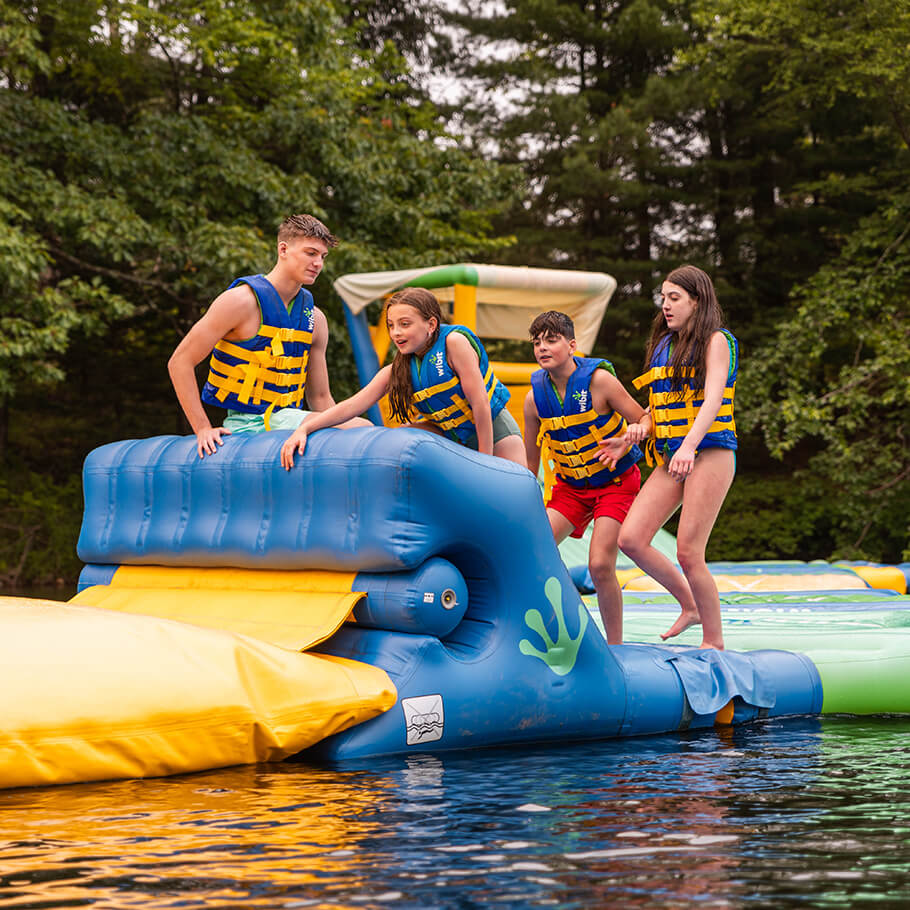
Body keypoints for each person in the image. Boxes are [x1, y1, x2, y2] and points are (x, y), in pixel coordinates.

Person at [600, 264, 738, 650]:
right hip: (673, 454)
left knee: (689, 552)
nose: (666, 305)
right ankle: (690, 605)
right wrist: (633, 435)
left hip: (708, 451)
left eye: (674, 298)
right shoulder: (666, 346)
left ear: (697, 301)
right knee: (631, 538)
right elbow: (660, 407)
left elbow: (711, 399)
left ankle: (713, 643)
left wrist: (690, 446)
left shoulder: (716, 341)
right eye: (663, 298)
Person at [168, 214, 364, 458]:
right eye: (310, 253)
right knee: (360, 428)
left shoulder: (316, 320)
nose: (318, 263)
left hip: (289, 421)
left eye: (323, 257)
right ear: (283, 249)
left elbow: (321, 398)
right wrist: (203, 428)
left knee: (358, 429)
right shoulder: (239, 302)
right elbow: (180, 361)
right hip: (248, 424)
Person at [280, 287, 527, 469]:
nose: (396, 333)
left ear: (431, 324)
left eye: (405, 324)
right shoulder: (398, 369)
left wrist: (483, 462)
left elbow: (481, 405)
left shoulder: (454, 343)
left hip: (493, 432)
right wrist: (306, 428)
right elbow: (353, 405)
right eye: (391, 325)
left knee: (517, 500)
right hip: (452, 436)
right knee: (398, 438)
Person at [522, 311, 648, 645]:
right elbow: (529, 462)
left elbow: (644, 419)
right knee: (530, 550)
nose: (543, 348)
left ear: (572, 345)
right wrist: (522, 499)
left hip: (615, 484)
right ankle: (553, 630)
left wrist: (629, 437)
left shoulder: (600, 382)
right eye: (537, 343)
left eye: (552, 340)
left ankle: (615, 646)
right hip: (571, 489)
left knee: (599, 565)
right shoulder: (534, 399)